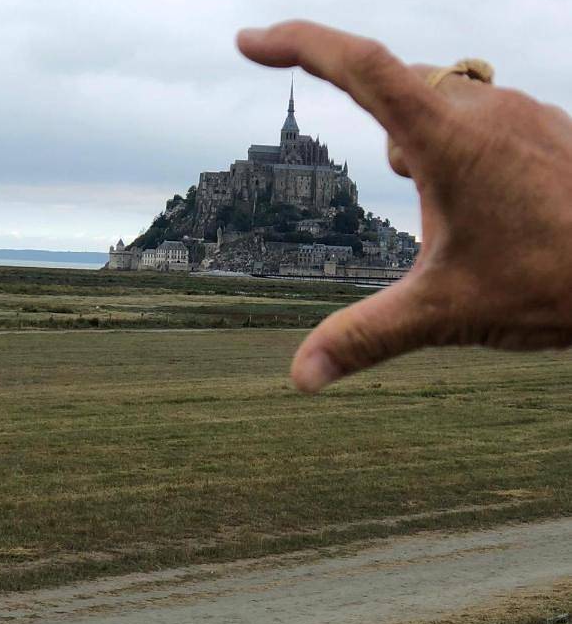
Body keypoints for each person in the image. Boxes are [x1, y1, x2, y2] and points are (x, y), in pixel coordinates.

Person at [236, 21, 572, 393]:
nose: (290, 139)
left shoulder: (313, 165)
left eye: (291, 135)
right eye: (288, 136)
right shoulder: (265, 161)